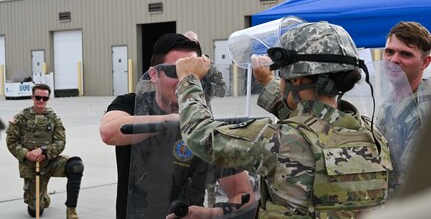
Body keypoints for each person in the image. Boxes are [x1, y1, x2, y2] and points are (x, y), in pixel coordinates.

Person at [176, 21, 393, 218]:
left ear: (296, 79)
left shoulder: (279, 141)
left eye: (282, 75)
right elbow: (312, 124)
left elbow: (201, 135)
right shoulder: (372, 135)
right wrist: (269, 81)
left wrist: (188, 80)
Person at [100, 33, 255, 219]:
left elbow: (244, 195)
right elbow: (109, 131)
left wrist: (209, 214)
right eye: (177, 72)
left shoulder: (205, 125)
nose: (184, 80)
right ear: (154, 75)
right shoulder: (132, 104)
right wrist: (175, 120)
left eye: (193, 74)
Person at [6, 83, 84, 219]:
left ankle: (71, 210)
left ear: (48, 99)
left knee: (76, 166)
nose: (41, 101)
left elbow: (61, 141)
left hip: (50, 162)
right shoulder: (21, 118)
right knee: (35, 210)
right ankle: (43, 197)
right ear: (32, 97)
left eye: (44, 98)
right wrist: (26, 154)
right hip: (31, 166)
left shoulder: (53, 118)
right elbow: (11, 141)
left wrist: (44, 151)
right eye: (38, 97)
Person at [375, 21, 431, 196]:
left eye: (405, 54)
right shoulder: (389, 103)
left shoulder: (424, 109)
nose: (393, 60)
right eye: (389, 52)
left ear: (425, 62)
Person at [183, 30, 226, 207]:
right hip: (179, 118)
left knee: (206, 162)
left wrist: (205, 85)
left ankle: (211, 201)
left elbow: (222, 90)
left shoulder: (207, 64)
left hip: (203, 117)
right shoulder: (177, 63)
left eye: (193, 43)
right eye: (186, 42)